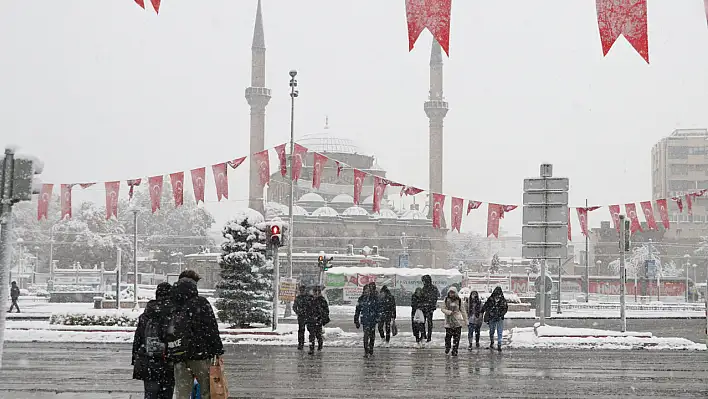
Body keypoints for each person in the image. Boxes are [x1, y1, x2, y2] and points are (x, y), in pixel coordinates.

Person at [168, 270, 224, 399]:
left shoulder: (172, 303)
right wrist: (217, 350)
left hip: (178, 354)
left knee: (182, 394)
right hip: (200, 354)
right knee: (206, 391)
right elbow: (211, 329)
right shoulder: (201, 302)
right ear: (194, 284)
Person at [132, 283, 175, 399]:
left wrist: (135, 359)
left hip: (149, 360)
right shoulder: (174, 313)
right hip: (168, 360)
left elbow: (138, 339)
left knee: (150, 394)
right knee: (167, 394)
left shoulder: (146, 314)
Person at [354, 282, 380, 357]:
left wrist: (378, 317)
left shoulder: (374, 298)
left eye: (368, 291)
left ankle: (371, 349)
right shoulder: (361, 299)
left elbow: (378, 309)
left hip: (372, 320)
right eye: (365, 291)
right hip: (365, 320)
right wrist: (356, 320)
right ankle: (366, 350)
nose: (367, 292)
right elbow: (357, 310)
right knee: (366, 335)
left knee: (372, 335)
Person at [440, 286, 466, 356]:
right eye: (450, 293)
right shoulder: (446, 300)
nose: (451, 294)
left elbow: (463, 311)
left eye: (453, 293)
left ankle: (455, 350)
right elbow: (442, 308)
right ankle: (447, 347)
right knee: (448, 337)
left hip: (457, 322)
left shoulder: (459, 300)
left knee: (456, 338)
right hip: (449, 322)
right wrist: (449, 312)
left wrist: (466, 320)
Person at [481, 286, 508, 352]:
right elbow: (486, 306)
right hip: (493, 317)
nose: (497, 296)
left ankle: (498, 344)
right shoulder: (499, 300)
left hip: (497, 317)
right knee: (495, 331)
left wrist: (500, 314)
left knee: (497, 331)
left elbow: (505, 308)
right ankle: (495, 343)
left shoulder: (498, 300)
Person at [305, 286, 330, 354]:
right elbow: (306, 310)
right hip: (311, 320)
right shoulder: (309, 300)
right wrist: (306, 318)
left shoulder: (322, 300)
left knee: (318, 335)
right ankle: (311, 348)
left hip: (318, 320)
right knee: (311, 335)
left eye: (317, 292)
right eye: (315, 292)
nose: (316, 293)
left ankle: (319, 346)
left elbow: (326, 310)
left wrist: (322, 317)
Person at [420, 275, 439, 343]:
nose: (423, 282)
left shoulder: (432, 288)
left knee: (428, 322)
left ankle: (428, 336)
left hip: (429, 308)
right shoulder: (425, 288)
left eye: (424, 281)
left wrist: (431, 306)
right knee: (423, 322)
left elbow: (435, 298)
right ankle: (424, 335)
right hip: (425, 308)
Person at [293, 285, 311, 350]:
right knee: (301, 330)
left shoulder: (309, 297)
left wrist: (310, 312)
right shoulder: (298, 298)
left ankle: (311, 344)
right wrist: (298, 312)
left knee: (311, 330)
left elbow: (313, 305)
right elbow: (294, 307)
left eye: (303, 290)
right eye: (301, 291)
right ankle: (301, 343)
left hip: (309, 316)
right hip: (301, 317)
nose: (302, 292)